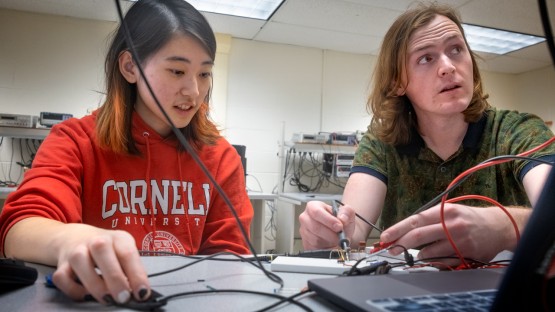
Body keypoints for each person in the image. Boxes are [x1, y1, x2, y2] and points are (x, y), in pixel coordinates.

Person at [0, 0, 253, 305]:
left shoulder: (220, 157)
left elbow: (230, 259)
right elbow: (19, 227)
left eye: (204, 74)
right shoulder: (75, 140)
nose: (194, 91)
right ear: (130, 67)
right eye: (177, 71)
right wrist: (72, 240)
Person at [299, 2, 555, 268]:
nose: (448, 67)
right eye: (426, 58)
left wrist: (506, 227)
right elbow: (352, 228)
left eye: (456, 49)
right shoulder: (382, 142)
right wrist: (333, 233)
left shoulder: (519, 131)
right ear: (398, 82)